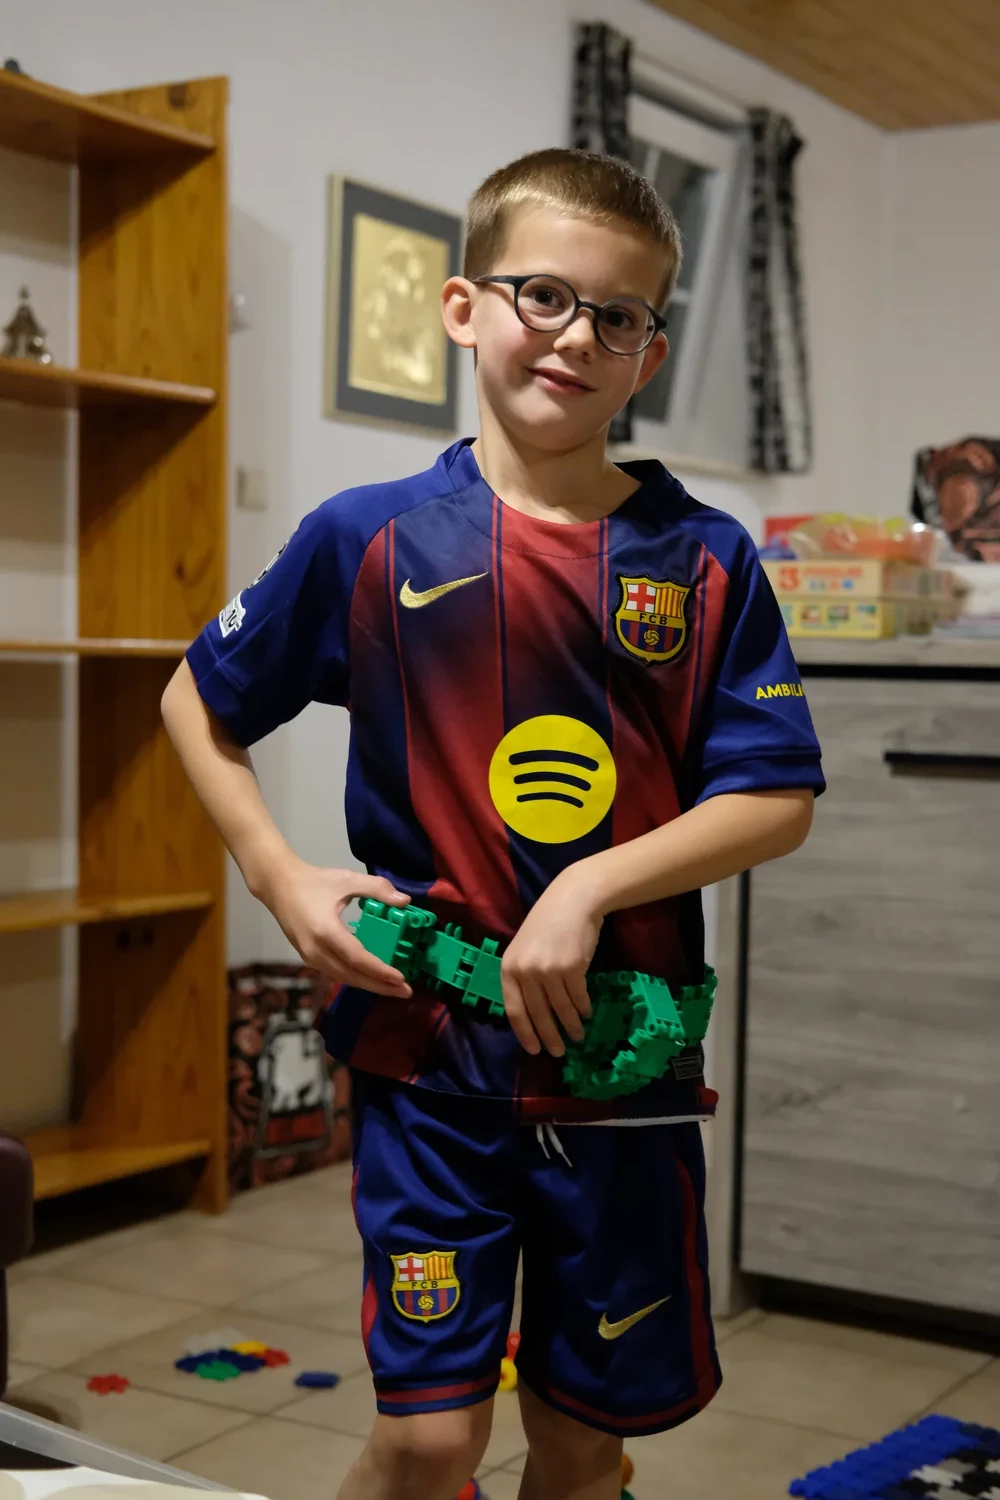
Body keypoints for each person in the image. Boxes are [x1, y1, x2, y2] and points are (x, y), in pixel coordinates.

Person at [162, 147, 824, 1500]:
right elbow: (196, 699)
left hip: (623, 1071)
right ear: (465, 308)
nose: (576, 336)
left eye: (617, 316)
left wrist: (584, 891)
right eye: (544, 296)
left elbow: (774, 797)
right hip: (427, 1059)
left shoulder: (706, 560)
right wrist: (278, 875)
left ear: (649, 355)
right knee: (427, 1439)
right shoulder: (368, 537)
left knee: (581, 1443)